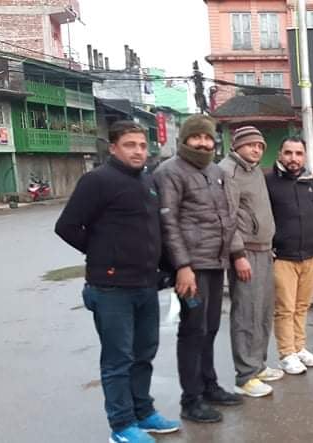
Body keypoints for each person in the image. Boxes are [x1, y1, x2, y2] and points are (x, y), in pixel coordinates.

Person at [55, 121, 180, 443]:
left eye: (142, 145)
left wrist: (171, 268)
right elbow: (67, 226)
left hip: (146, 286)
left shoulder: (147, 181)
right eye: (129, 145)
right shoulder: (97, 181)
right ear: (113, 148)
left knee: (144, 354)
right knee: (118, 360)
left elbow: (154, 232)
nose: (138, 151)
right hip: (111, 289)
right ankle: (122, 426)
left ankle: (143, 412)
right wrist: (104, 254)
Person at [154, 115, 243, 422]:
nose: (203, 144)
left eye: (207, 138)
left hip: (216, 262)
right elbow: (168, 223)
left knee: (211, 327)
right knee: (193, 330)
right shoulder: (169, 172)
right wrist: (182, 266)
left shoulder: (215, 171)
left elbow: (227, 216)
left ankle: (209, 385)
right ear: (185, 139)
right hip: (192, 267)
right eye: (197, 138)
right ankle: (190, 399)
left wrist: (234, 253)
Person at [218, 126, 284, 398]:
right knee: (246, 312)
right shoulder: (228, 171)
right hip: (245, 252)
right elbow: (227, 218)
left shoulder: (254, 171)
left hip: (264, 249)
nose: (256, 149)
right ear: (236, 145)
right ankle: (245, 376)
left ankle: (258, 365)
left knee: (263, 311)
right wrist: (238, 255)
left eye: (260, 146)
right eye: (250, 145)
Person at [266, 136, 313, 375]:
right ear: (280, 154)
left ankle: (299, 348)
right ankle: (286, 353)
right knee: (285, 308)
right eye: (288, 153)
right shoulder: (268, 182)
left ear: (305, 156)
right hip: (282, 256)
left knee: (302, 306)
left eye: (299, 153)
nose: (293, 158)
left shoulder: (309, 182)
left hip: (310, 253)